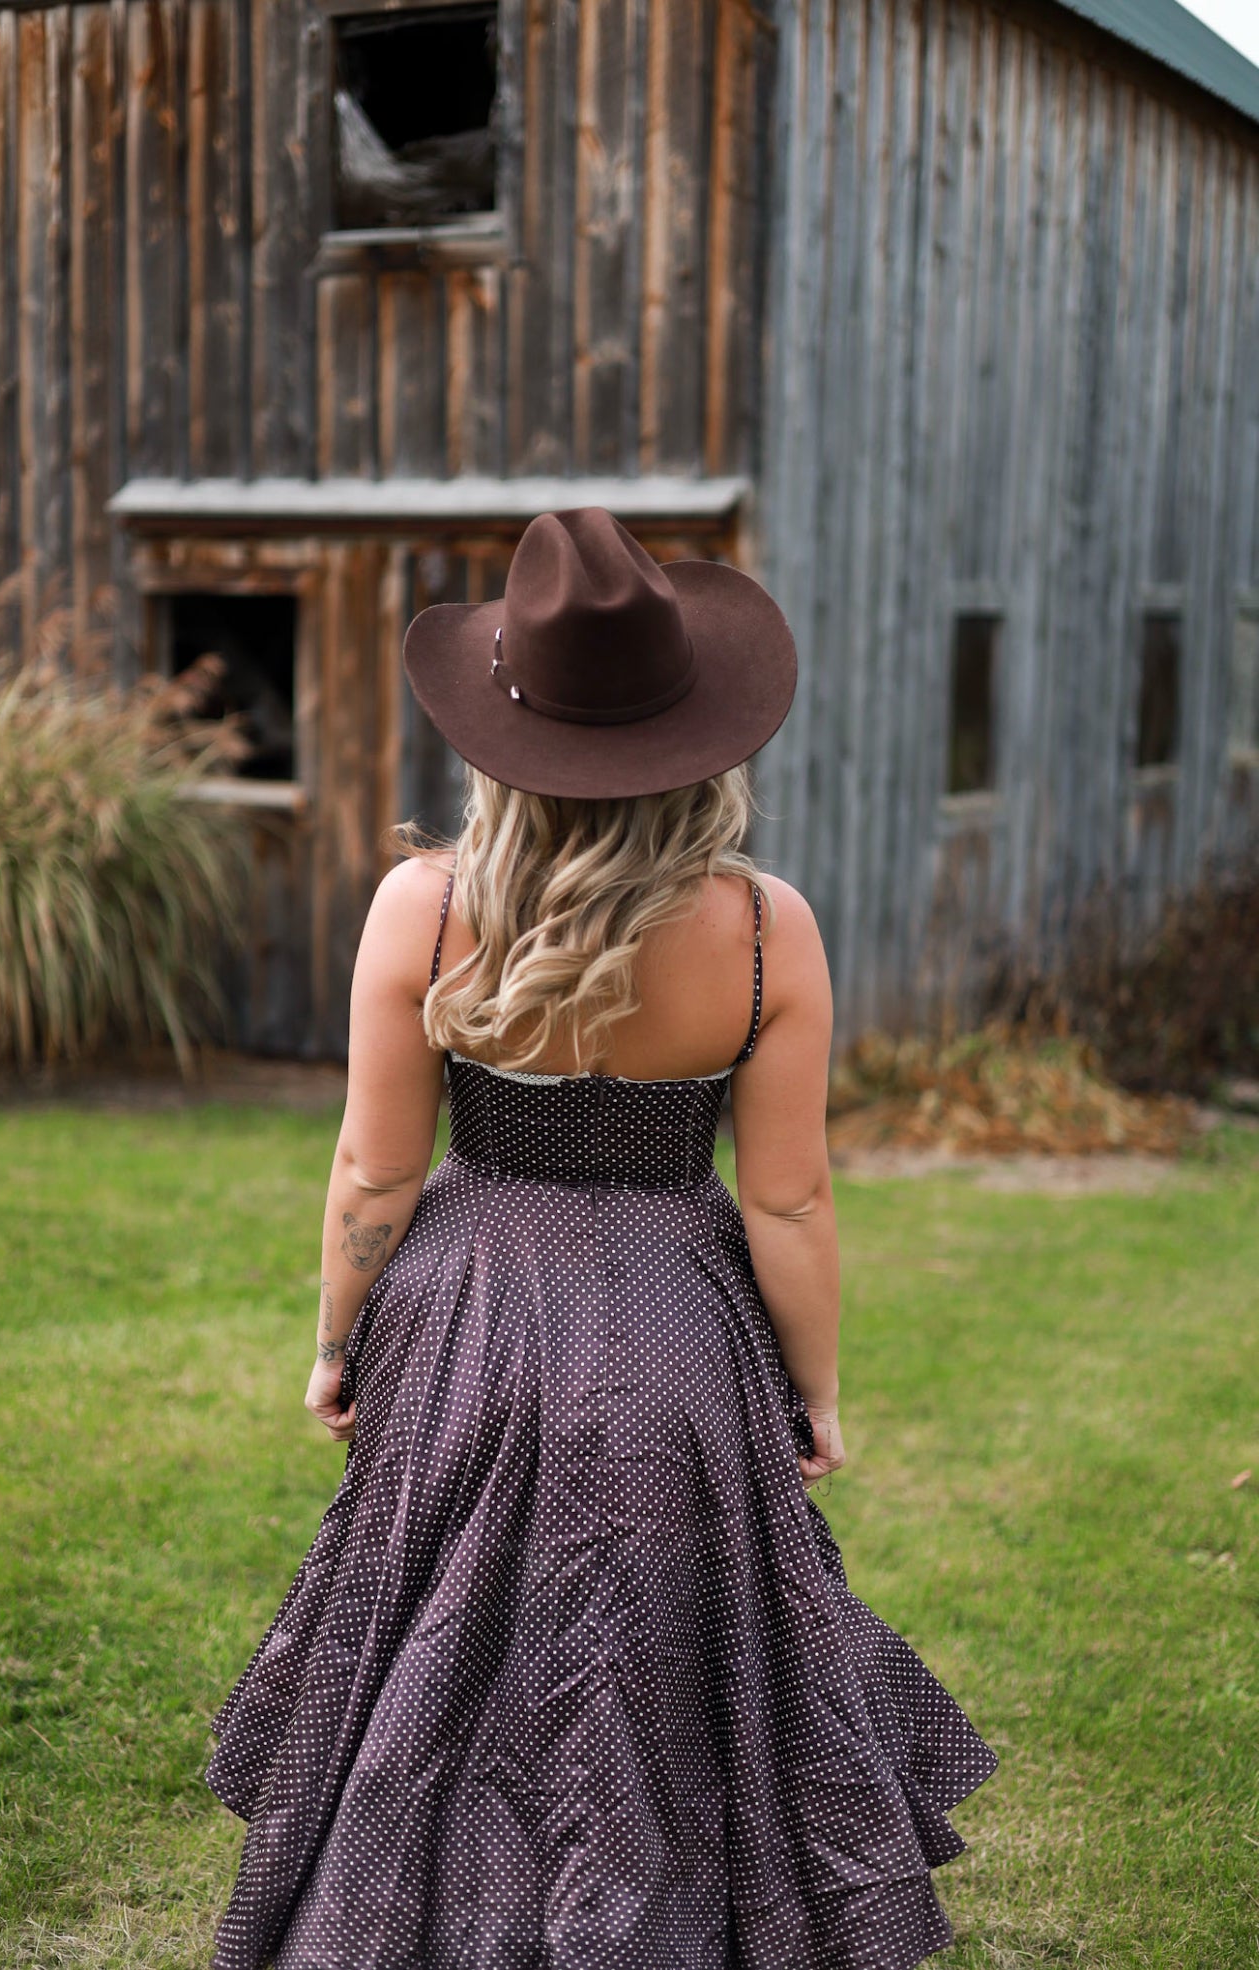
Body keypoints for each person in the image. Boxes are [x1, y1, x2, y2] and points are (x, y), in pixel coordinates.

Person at [204, 509, 998, 1969]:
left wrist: (334, 1340)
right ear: (695, 731)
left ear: (502, 730)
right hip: (682, 1331)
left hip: (463, 1321)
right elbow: (790, 1196)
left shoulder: (424, 908)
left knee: (447, 1635)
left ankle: (419, 1910)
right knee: (681, 1637)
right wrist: (810, 1387)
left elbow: (376, 1169)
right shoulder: (768, 931)